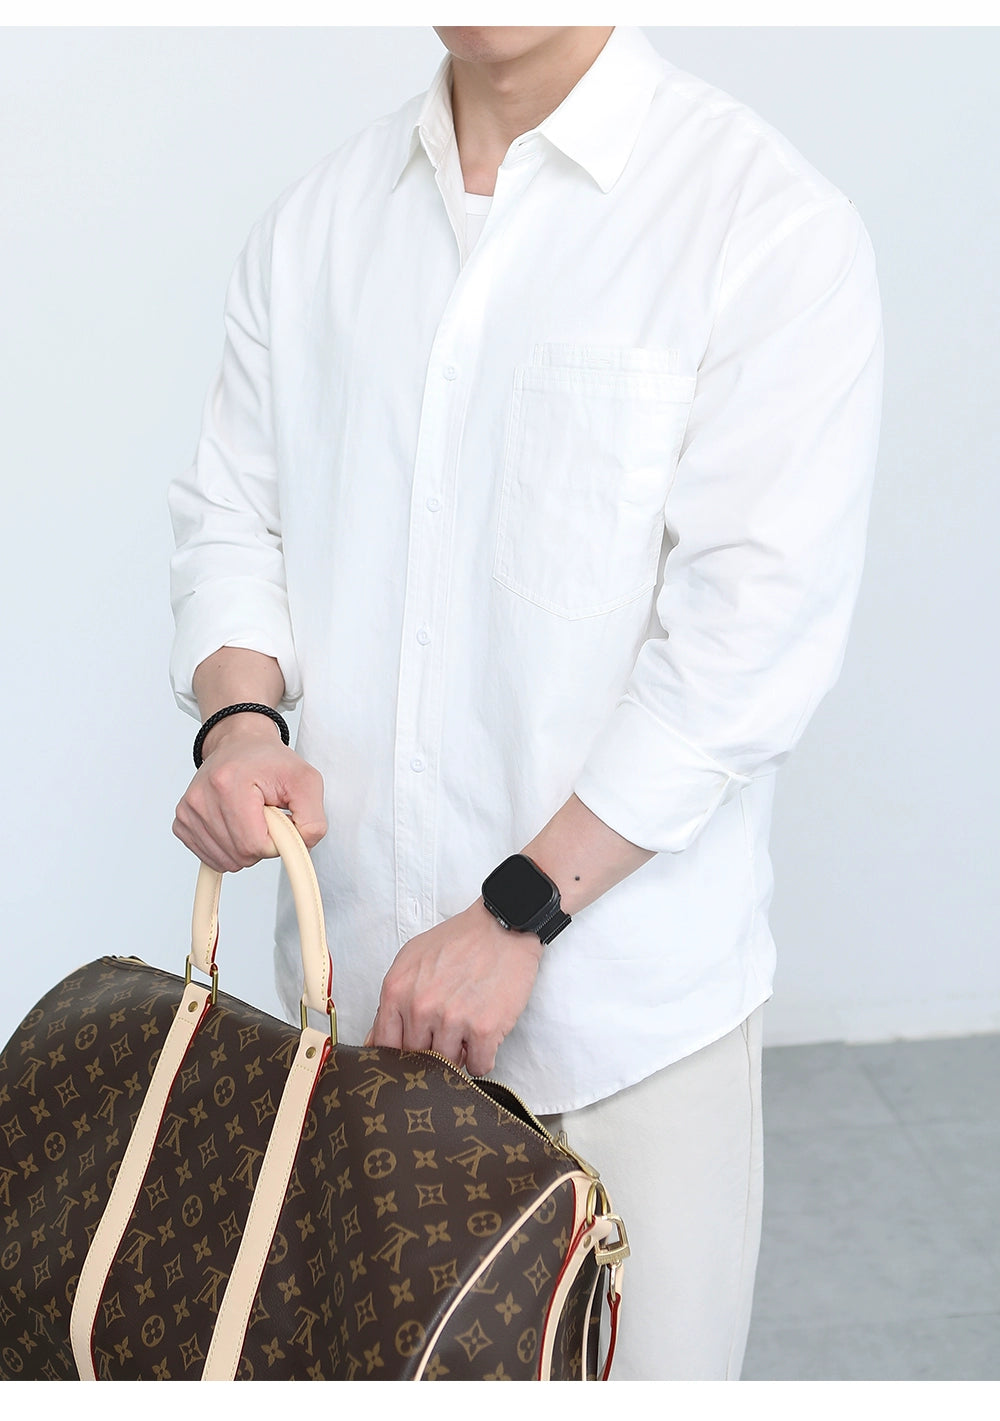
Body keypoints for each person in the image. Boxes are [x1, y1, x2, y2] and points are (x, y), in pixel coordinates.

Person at [169, 26, 883, 1381]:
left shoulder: (761, 222)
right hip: (348, 1028)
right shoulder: (315, 228)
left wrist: (517, 911)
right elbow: (230, 522)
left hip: (625, 1050)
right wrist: (242, 724)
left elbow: (747, 642)